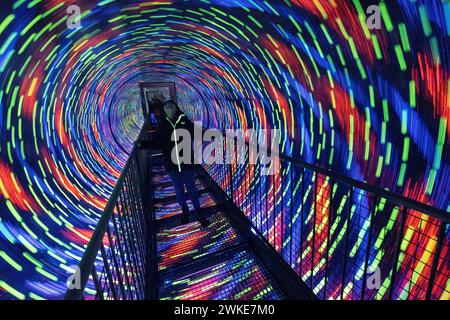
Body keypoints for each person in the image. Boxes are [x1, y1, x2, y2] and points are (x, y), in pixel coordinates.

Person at [155, 100, 207, 227]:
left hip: (186, 161)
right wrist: (143, 145)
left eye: (171, 106)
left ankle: (198, 211)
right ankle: (185, 210)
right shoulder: (162, 124)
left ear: (176, 108)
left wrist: (211, 134)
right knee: (178, 189)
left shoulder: (184, 120)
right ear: (164, 110)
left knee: (191, 188)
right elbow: (157, 142)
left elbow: (196, 131)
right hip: (171, 163)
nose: (169, 109)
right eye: (167, 107)